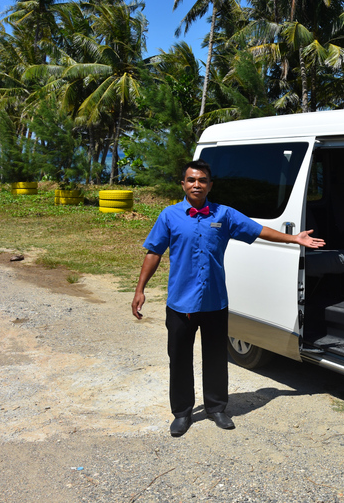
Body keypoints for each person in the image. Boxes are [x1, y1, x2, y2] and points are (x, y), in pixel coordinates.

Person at [131, 160, 325, 437]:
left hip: (214, 303)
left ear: (210, 185)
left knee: (215, 359)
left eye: (202, 180)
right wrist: (140, 289)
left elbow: (258, 230)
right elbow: (153, 252)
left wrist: (294, 239)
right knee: (179, 359)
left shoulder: (224, 215)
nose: (196, 184)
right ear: (183, 184)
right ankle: (182, 413)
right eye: (190, 180)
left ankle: (216, 408)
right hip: (180, 304)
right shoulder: (169, 216)